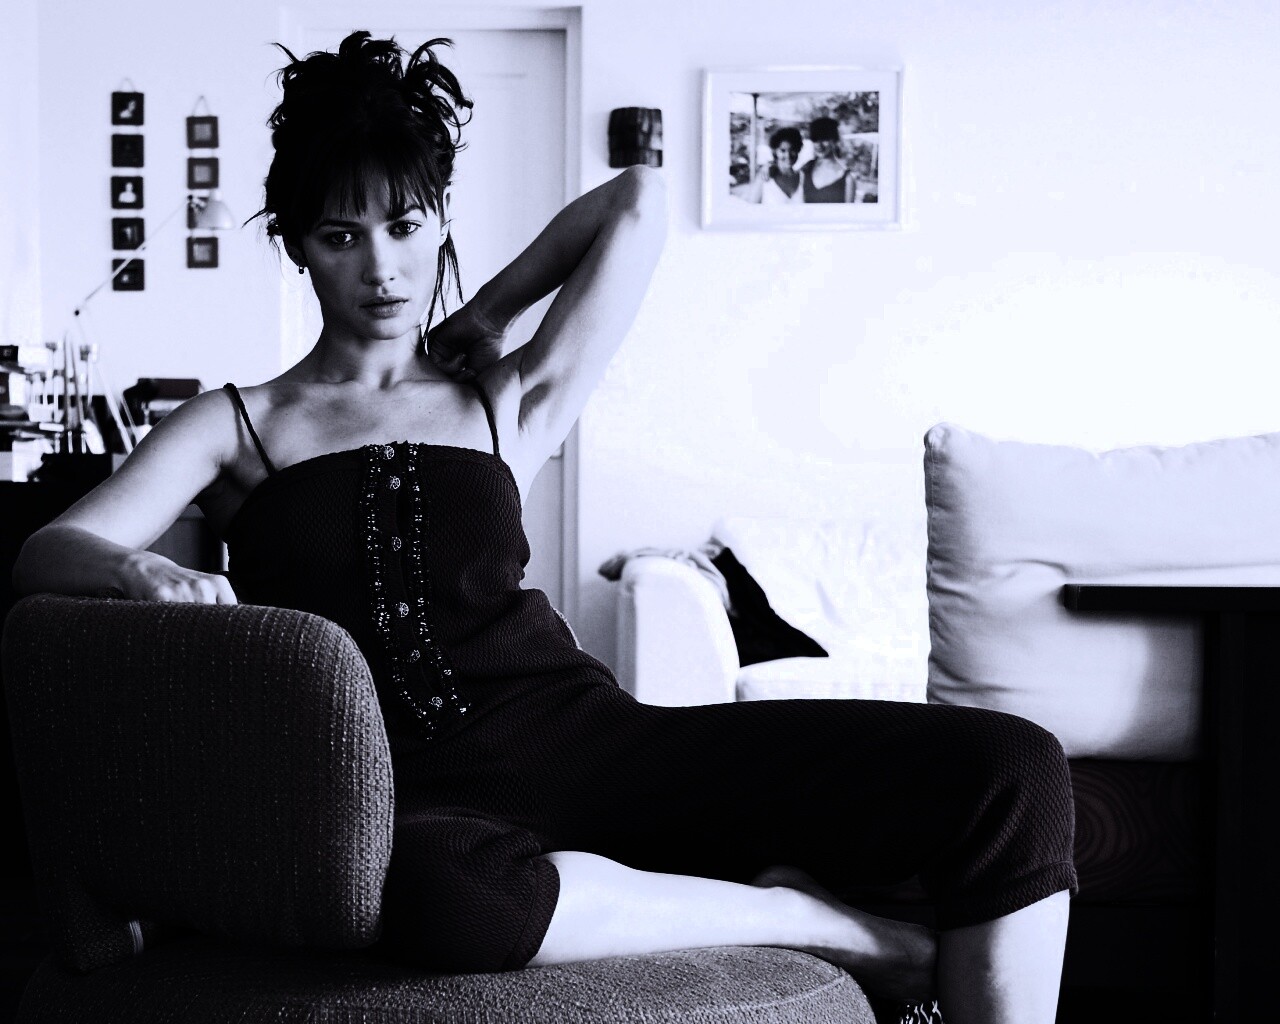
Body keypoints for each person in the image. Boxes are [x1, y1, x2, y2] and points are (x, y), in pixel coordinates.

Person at [13, 32, 1075, 1024]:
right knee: (451, 899)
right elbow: (44, 552)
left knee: (1009, 769)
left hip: (597, 744)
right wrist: (142, 575)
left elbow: (637, 202)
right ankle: (816, 922)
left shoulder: (501, 400)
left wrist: (487, 311)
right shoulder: (237, 424)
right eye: (342, 236)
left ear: (440, 222)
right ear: (297, 249)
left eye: (406, 226)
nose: (382, 269)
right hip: (405, 799)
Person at [801, 116, 858, 203]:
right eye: (815, 139)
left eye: (824, 139)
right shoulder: (806, 169)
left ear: (834, 140)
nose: (819, 145)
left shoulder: (848, 179)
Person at [742, 126, 803, 204]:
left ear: (798, 150)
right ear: (775, 151)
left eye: (793, 150)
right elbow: (751, 208)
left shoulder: (802, 177)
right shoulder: (765, 176)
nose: (788, 155)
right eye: (783, 150)